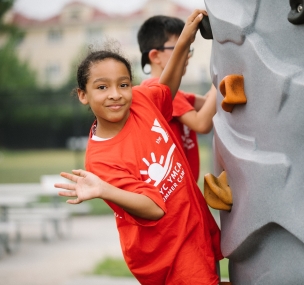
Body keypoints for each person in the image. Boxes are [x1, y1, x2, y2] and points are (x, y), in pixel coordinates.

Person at [55, 9, 223, 285]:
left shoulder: (141, 101)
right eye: (101, 87)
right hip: (168, 248)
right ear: (83, 95)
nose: (115, 94)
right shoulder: (101, 161)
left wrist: (183, 41)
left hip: (192, 220)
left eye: (123, 84)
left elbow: (166, 88)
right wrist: (104, 190)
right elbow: (154, 208)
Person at [137, 15, 217, 182]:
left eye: (188, 47)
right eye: (180, 47)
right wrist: (221, 75)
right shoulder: (157, 89)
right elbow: (202, 123)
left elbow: (206, 102)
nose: (187, 54)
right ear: (155, 56)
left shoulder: (172, 94)